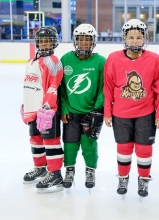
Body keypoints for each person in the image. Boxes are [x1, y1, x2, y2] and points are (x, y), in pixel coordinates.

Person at [104, 19, 159, 199]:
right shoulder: (114, 58)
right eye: (131, 37)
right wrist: (107, 111)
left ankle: (143, 180)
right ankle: (123, 178)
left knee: (144, 149)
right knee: (124, 147)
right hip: (120, 114)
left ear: (144, 38)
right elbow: (108, 88)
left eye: (139, 37)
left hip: (146, 114)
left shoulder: (154, 59)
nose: (135, 41)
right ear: (125, 38)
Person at [59, 23, 105, 192]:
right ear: (75, 41)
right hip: (70, 113)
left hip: (90, 114)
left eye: (88, 39)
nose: (84, 43)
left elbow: (103, 88)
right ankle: (69, 170)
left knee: (89, 145)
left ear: (94, 41)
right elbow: (61, 88)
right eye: (81, 39)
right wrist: (63, 108)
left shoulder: (100, 62)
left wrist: (98, 110)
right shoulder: (66, 59)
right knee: (70, 144)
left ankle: (90, 171)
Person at [21, 26, 64, 193]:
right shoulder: (31, 61)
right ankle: (40, 167)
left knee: (50, 141)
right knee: (35, 139)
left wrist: (48, 108)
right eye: (42, 41)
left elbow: (54, 85)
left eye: (48, 41)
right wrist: (25, 104)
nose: (45, 44)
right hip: (33, 108)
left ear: (54, 43)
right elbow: (29, 85)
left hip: (47, 110)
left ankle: (55, 174)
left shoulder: (53, 61)